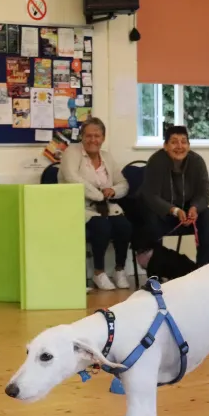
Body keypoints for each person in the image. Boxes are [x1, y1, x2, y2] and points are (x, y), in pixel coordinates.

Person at [129, 125, 209, 276]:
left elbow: (204, 194)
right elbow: (151, 195)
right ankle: (155, 271)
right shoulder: (156, 161)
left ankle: (206, 270)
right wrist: (174, 210)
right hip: (161, 214)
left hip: (185, 215)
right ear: (165, 146)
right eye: (174, 142)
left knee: (206, 215)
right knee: (149, 215)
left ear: (189, 145)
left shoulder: (197, 162)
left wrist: (195, 208)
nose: (179, 146)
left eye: (184, 142)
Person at [58, 117, 131, 290]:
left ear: (103, 138)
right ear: (82, 137)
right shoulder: (72, 152)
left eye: (97, 136)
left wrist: (113, 191)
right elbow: (71, 178)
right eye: (88, 136)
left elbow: (123, 183)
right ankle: (99, 272)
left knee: (124, 226)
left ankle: (119, 270)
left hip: (105, 207)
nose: (93, 140)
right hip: (78, 207)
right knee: (102, 226)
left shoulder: (107, 157)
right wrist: (99, 195)